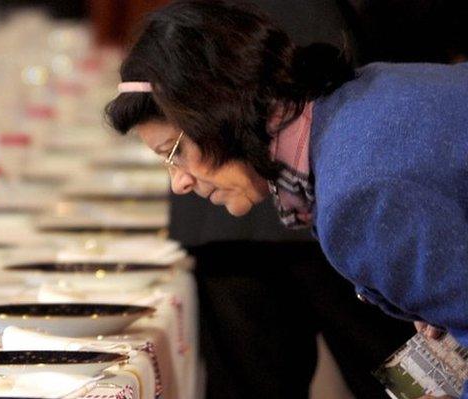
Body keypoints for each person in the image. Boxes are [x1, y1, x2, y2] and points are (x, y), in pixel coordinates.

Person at [105, 0, 468, 397]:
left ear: (216, 110)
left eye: (174, 152)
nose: (178, 184)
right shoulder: (362, 92)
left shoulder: (355, 197)